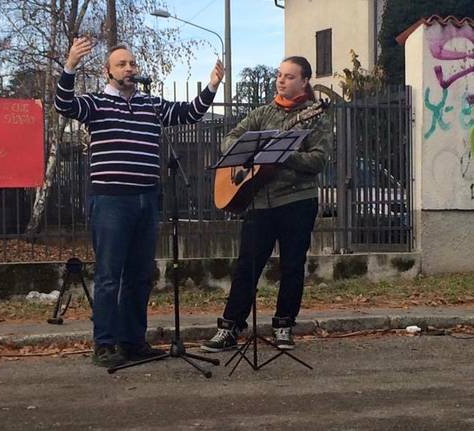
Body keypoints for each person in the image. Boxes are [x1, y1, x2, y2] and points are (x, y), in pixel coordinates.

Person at [55, 38, 224, 367]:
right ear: (108, 71)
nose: (130, 68)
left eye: (132, 63)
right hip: (111, 201)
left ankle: (133, 341)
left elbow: (189, 114)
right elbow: (64, 104)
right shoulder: (97, 104)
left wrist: (212, 85)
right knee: (108, 275)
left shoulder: (151, 105)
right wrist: (70, 65)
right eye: (122, 64)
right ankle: (104, 344)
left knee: (139, 275)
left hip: (147, 198)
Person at [201, 56, 331, 352]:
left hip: (297, 200)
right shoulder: (262, 114)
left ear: (304, 81)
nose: (281, 80)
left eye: (288, 76)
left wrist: (282, 155)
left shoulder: (315, 117)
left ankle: (284, 325)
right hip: (259, 202)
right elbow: (228, 141)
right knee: (247, 266)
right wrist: (253, 150)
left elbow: (318, 160)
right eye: (279, 75)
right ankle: (230, 327)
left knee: (292, 266)